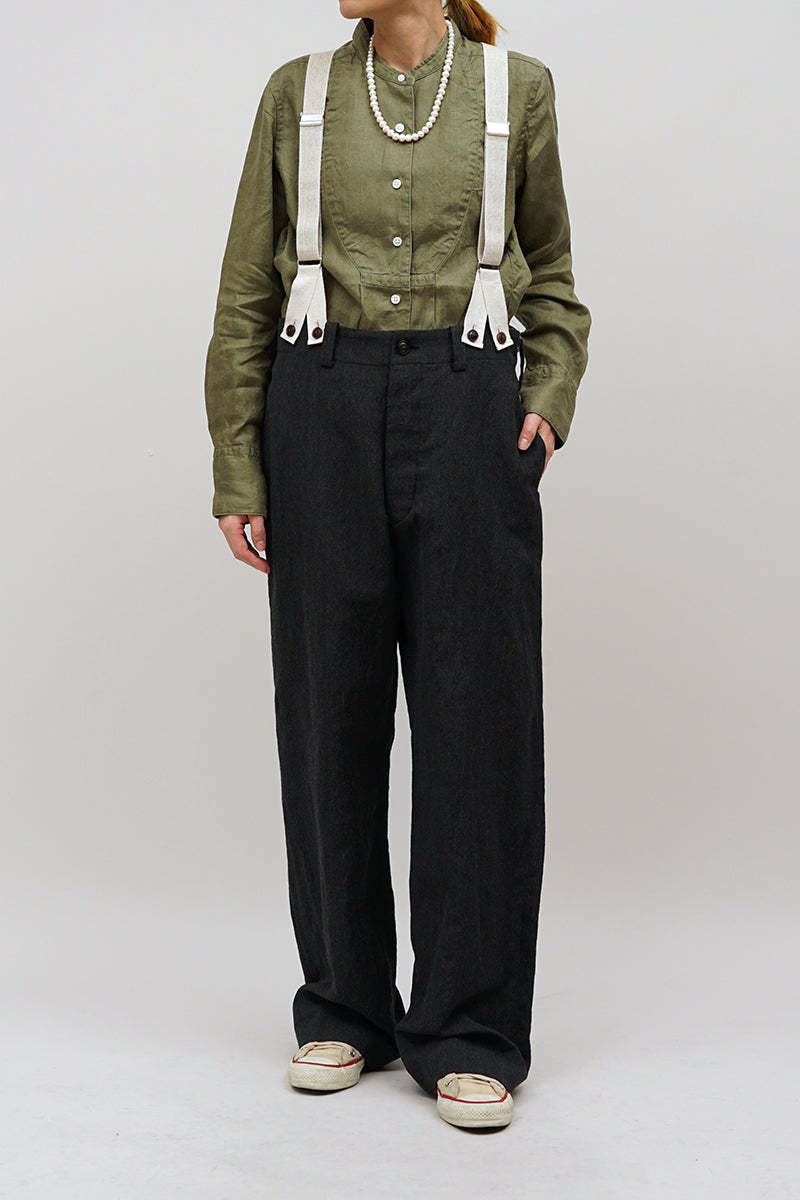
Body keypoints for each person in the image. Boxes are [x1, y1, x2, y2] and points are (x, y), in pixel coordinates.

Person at [204, 0, 590, 1130]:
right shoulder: (297, 92)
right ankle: (344, 1006)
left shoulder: (517, 89)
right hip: (318, 401)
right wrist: (239, 461)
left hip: (469, 407)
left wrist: (545, 398)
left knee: (478, 718)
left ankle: (469, 1028)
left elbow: (553, 273)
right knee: (328, 709)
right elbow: (247, 288)